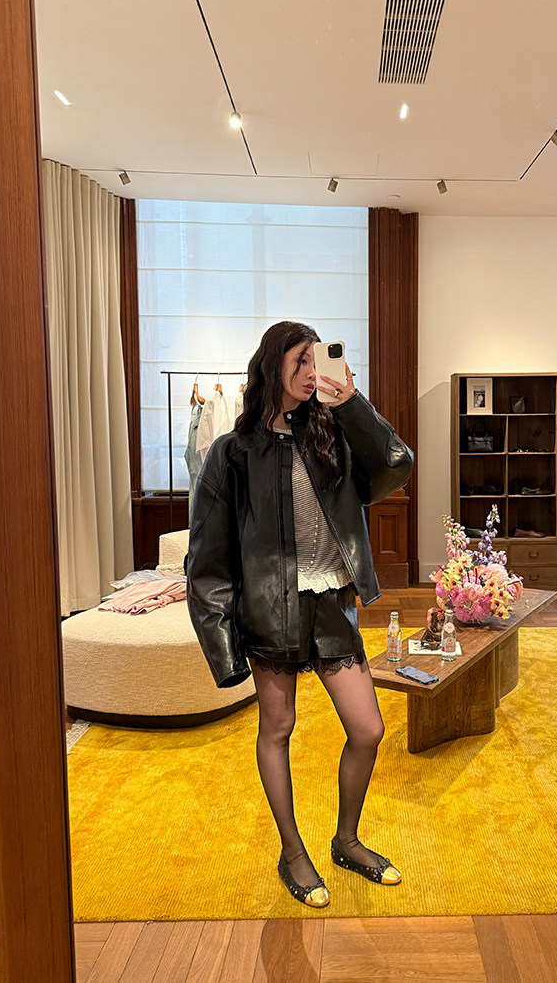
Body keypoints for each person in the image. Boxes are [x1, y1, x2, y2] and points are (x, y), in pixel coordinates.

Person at [186, 321, 413, 908]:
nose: (314, 372)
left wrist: (353, 404)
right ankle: (292, 852)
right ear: (273, 366)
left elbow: (396, 464)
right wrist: (224, 651)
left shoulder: (334, 433)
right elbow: (206, 561)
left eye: (319, 360)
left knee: (368, 729)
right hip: (270, 608)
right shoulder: (232, 452)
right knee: (277, 728)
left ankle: (346, 840)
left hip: (332, 601)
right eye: (302, 361)